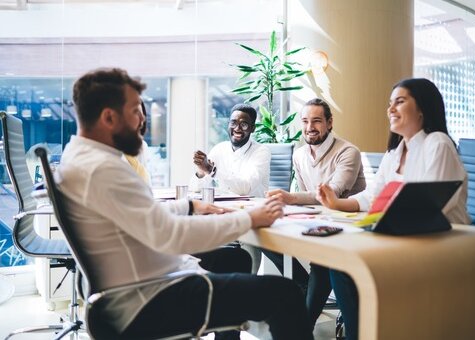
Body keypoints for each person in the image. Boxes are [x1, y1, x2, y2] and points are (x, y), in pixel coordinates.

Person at [57, 68, 313, 340]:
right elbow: (171, 235)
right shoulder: (105, 169)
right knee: (285, 294)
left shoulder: (83, 159)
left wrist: (190, 206)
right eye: (136, 111)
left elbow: (145, 216)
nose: (143, 119)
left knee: (234, 257)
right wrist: (249, 219)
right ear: (109, 117)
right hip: (151, 298)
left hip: (137, 284)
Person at [317, 78, 470, 340]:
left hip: (441, 242)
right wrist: (336, 203)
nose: (390, 109)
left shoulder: (438, 144)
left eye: (400, 102)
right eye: (390, 104)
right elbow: (374, 196)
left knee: (344, 266)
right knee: (338, 265)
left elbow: (428, 206)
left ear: (422, 108)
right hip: (405, 236)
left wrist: (376, 224)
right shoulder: (396, 152)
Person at [264, 98, 366, 330]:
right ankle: (303, 315)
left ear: (330, 123)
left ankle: (303, 325)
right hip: (319, 223)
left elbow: (332, 192)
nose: (310, 127)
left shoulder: (348, 151)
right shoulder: (299, 155)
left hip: (349, 227)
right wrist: (291, 203)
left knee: (322, 262)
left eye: (317, 121)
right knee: (267, 239)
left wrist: (291, 198)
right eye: (305, 121)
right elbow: (306, 196)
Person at [191, 103, 271, 198]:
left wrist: (210, 169)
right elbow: (195, 188)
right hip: (225, 207)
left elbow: (245, 189)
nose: (237, 129)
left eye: (244, 124)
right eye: (233, 123)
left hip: (254, 209)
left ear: (252, 128)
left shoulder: (261, 152)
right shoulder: (219, 149)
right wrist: (201, 171)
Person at [123, 100, 151, 185]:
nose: (142, 119)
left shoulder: (142, 146)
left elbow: (146, 184)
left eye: (142, 114)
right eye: (136, 113)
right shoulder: (110, 149)